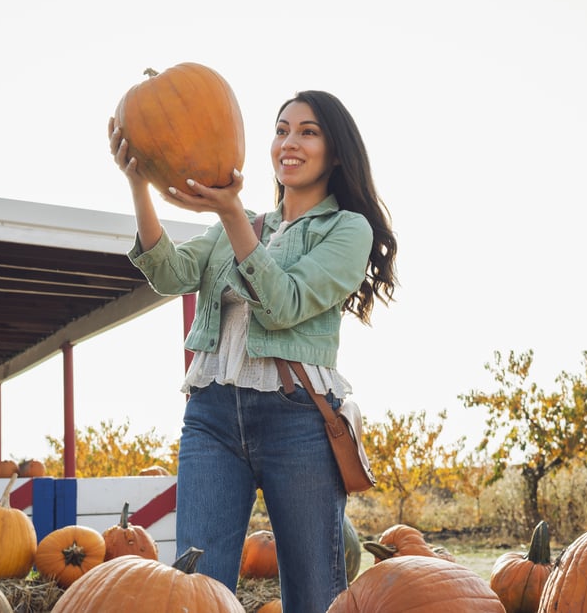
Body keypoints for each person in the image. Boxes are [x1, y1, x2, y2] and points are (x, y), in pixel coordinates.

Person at [108, 89, 397, 612]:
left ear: (336, 152)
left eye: (308, 132)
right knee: (196, 585)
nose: (289, 141)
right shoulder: (241, 224)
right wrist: (138, 186)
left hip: (299, 421)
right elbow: (169, 272)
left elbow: (281, 305)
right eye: (282, 129)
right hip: (212, 415)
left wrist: (231, 213)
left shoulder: (347, 230)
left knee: (313, 595)